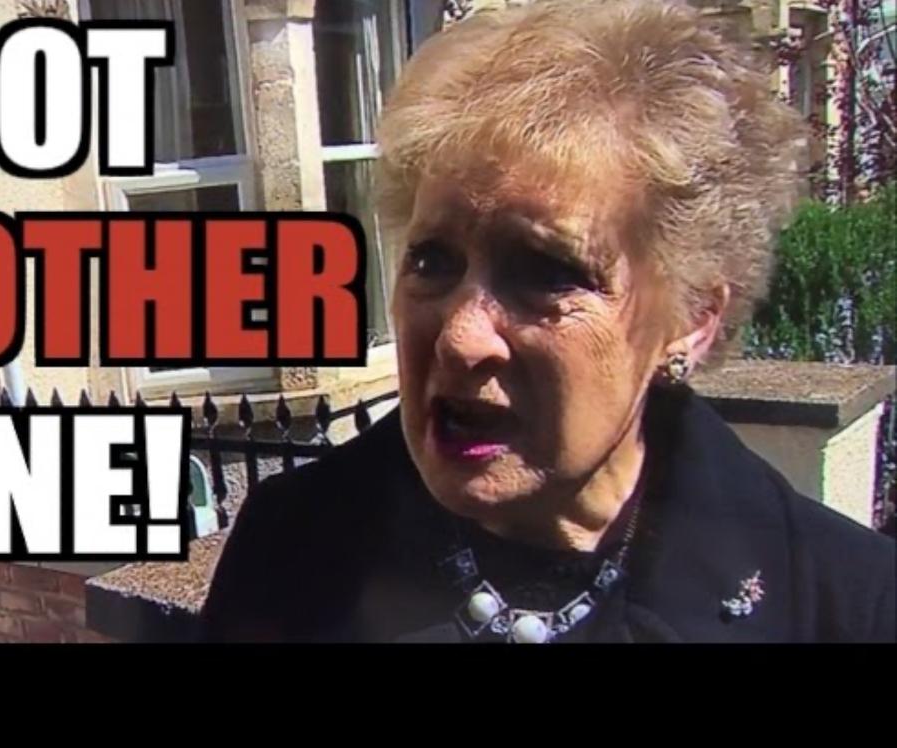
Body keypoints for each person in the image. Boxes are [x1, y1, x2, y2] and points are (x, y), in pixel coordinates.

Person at [196, 0, 897, 643]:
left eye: (549, 272)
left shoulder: (849, 606)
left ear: (692, 319)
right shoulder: (293, 547)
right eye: (432, 261)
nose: (460, 337)